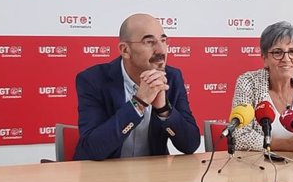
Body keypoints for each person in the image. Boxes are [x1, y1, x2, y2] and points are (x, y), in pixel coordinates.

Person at [74, 13, 200, 160]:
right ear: (125, 50)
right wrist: (138, 103)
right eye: (149, 42)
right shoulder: (93, 79)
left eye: (163, 40)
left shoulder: (171, 77)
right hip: (106, 176)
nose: (161, 50)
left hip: (154, 177)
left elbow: (190, 145)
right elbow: (92, 149)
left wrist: (164, 110)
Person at [231, 21, 293, 152]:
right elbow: (238, 137)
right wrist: (280, 144)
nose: (286, 59)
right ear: (264, 58)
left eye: (292, 51)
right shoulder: (248, 83)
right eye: (277, 52)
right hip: (263, 168)